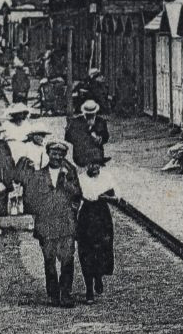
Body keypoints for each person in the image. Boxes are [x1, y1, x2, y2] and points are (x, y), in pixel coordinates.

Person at [21, 139, 83, 306]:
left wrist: (66, 182)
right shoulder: (39, 175)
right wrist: (38, 218)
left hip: (66, 223)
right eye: (54, 153)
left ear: (64, 155)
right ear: (48, 154)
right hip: (46, 224)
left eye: (60, 154)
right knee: (49, 260)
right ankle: (53, 292)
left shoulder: (70, 173)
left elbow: (77, 194)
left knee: (67, 259)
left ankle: (66, 293)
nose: (57, 156)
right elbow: (31, 199)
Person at [75, 155, 117, 302]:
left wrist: (105, 196)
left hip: (102, 216)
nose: (94, 167)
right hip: (86, 215)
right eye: (91, 164)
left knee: (101, 250)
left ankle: (98, 277)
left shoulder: (106, 177)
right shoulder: (80, 178)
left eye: (97, 164)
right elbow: (75, 197)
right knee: (86, 252)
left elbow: (117, 196)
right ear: (86, 165)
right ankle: (89, 290)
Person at [65, 98, 110, 168]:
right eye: (88, 114)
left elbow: (106, 137)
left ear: (95, 112)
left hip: (97, 155)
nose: (90, 115)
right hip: (81, 156)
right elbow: (67, 137)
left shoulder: (101, 121)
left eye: (92, 114)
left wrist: (100, 138)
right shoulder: (75, 122)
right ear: (84, 113)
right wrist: (87, 128)